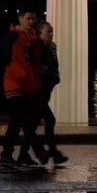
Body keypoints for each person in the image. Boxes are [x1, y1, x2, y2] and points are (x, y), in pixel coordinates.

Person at [0, 9, 45, 169]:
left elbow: (35, 63)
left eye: (34, 19)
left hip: (29, 88)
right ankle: (10, 154)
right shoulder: (11, 38)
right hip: (14, 86)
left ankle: (17, 155)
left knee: (18, 122)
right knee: (24, 120)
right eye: (28, 19)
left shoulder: (34, 40)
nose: (31, 22)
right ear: (20, 18)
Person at [36, 22, 68, 165]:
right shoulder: (38, 47)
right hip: (39, 90)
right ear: (40, 33)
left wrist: (55, 76)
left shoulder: (51, 47)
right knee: (48, 120)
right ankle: (52, 152)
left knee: (36, 122)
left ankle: (52, 152)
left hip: (47, 87)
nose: (51, 34)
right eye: (48, 31)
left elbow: (54, 65)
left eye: (52, 31)